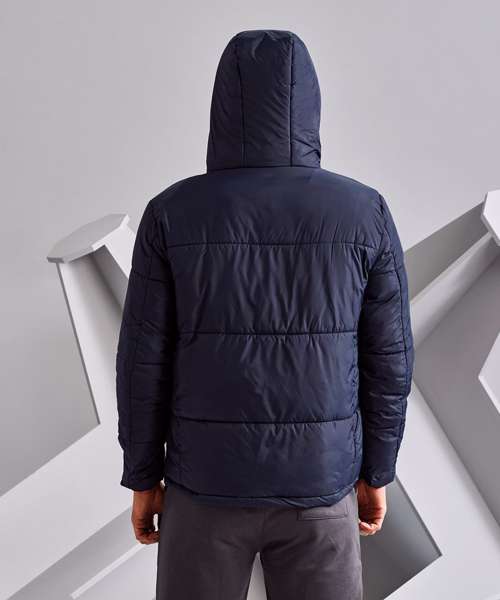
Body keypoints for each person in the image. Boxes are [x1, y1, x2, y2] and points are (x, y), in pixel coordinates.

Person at [116, 29, 414, 600]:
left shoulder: (172, 212)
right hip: (320, 484)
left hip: (204, 486)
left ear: (223, 105)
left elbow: (142, 363)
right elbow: (390, 361)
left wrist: (142, 476)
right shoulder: (363, 211)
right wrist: (377, 471)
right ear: (310, 106)